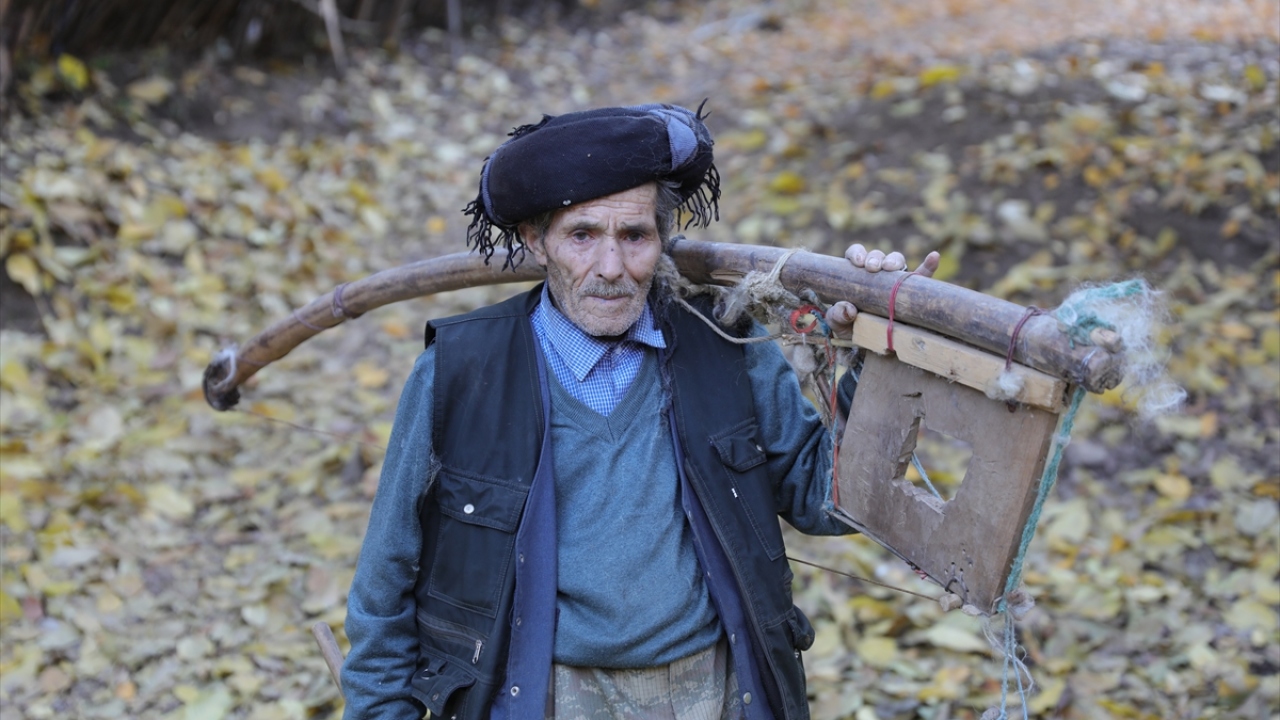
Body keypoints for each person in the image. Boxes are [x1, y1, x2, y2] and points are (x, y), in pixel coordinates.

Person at [341, 103, 938, 720]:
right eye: (581, 236)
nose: (612, 268)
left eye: (635, 237)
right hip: (542, 695)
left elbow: (826, 496)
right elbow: (384, 583)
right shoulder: (460, 371)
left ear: (661, 239)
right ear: (535, 240)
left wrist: (878, 353)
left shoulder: (723, 341)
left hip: (720, 690)